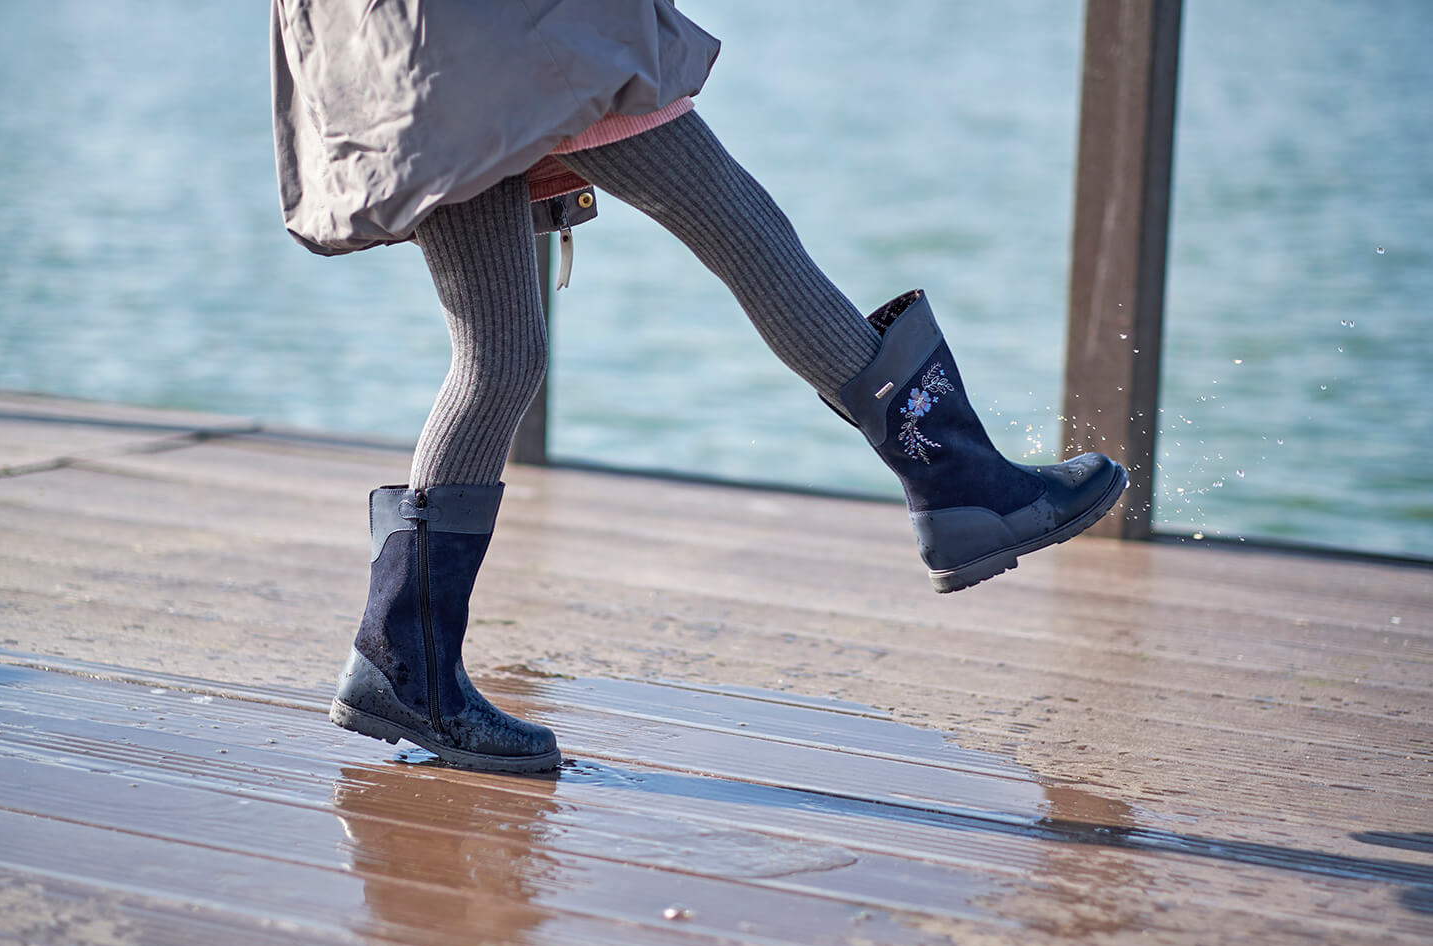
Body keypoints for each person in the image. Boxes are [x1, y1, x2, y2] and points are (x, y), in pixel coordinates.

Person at [270, 2, 1126, 774]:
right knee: (733, 218)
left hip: (409, 44)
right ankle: (960, 488)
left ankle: (402, 663)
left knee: (499, 353)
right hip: (491, 24)